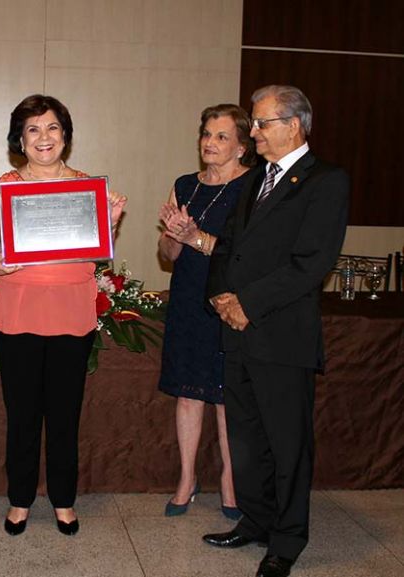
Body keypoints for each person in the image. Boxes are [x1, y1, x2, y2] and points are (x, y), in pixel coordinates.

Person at [203, 86, 349, 577]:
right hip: (238, 330)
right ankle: (256, 520)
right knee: (247, 440)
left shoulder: (326, 181)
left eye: (263, 123)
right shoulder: (256, 178)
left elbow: (311, 263)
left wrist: (249, 304)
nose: (255, 132)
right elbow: (229, 246)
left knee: (287, 444)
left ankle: (287, 540)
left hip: (282, 335)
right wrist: (221, 297)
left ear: (294, 125)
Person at [0, 94, 126, 537]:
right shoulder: (4, 186)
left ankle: (63, 501)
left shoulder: (86, 187)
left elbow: (97, 250)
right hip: (18, 312)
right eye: (33, 129)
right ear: (20, 138)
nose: (44, 137)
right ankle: (19, 500)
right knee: (21, 415)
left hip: (72, 312)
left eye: (53, 127)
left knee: (64, 414)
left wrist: (109, 220)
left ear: (65, 136)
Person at [157, 104, 256, 519]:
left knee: (226, 399)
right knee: (187, 394)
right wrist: (176, 236)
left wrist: (196, 236)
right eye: (206, 135)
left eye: (221, 137)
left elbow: (245, 256)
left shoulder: (252, 187)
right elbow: (167, 254)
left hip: (228, 302)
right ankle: (186, 479)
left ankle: (231, 484)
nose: (210, 143)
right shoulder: (184, 184)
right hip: (186, 299)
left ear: (241, 147)